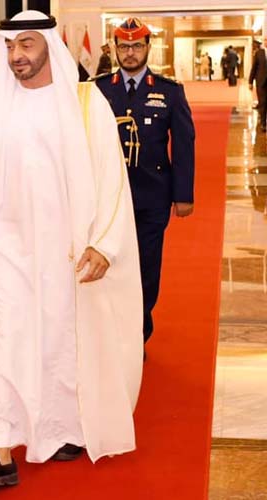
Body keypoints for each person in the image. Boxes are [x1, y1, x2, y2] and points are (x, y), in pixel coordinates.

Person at [0, 11, 143, 487]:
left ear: (49, 46)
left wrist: (104, 244)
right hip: (3, 248)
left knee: (58, 342)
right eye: (10, 46)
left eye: (27, 45)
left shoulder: (85, 103)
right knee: (1, 340)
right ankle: (0, 447)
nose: (17, 55)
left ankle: (59, 429)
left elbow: (112, 178)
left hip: (65, 251)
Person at [95, 17, 195, 346]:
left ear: (148, 47)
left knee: (146, 267)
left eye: (137, 46)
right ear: (114, 48)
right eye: (124, 46)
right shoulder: (98, 89)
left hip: (151, 195)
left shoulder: (168, 91)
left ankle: (137, 334)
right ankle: (109, 329)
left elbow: (183, 145)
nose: (130, 53)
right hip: (107, 197)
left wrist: (183, 195)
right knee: (109, 263)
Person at [249, 40, 267, 131]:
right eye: (266, 40)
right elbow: (254, 68)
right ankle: (263, 124)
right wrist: (250, 81)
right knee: (262, 102)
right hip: (261, 82)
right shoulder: (259, 53)